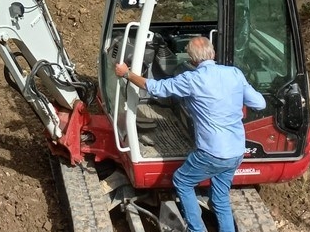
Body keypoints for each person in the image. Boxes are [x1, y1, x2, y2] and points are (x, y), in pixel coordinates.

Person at [114, 36, 266, 232]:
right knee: (220, 198)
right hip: (236, 151)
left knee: (182, 180)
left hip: (212, 152)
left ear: (192, 60)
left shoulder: (192, 79)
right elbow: (260, 103)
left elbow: (155, 88)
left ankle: (197, 229)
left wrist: (127, 74)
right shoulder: (234, 73)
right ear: (214, 53)